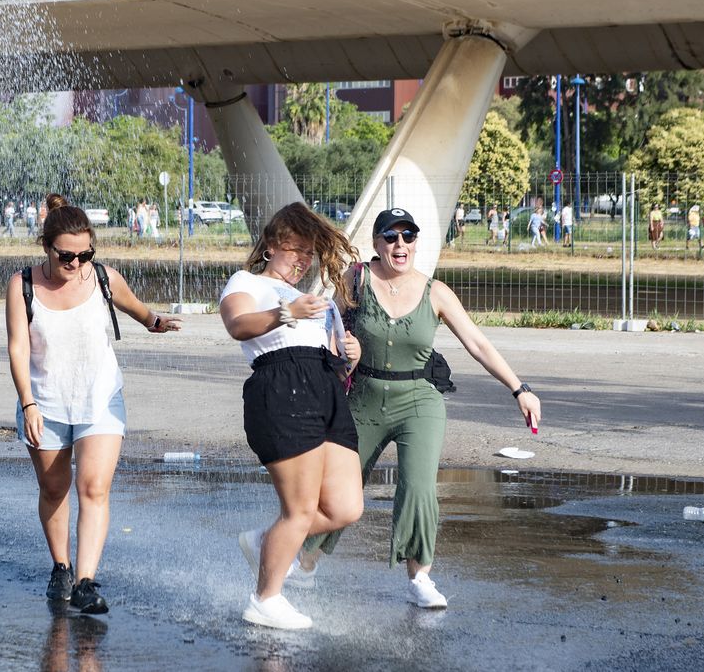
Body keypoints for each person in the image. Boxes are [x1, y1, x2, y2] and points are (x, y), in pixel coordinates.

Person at [302, 208, 543, 610]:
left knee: (418, 487)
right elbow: (324, 327)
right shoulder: (356, 279)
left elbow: (479, 345)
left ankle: (420, 577)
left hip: (420, 401)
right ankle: (303, 563)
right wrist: (343, 348)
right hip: (363, 397)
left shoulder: (436, 291)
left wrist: (520, 389)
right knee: (339, 488)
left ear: (417, 242)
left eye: (408, 236)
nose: (400, 245)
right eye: (391, 237)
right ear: (376, 244)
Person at [6, 194, 182, 615]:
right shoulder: (23, 285)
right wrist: (28, 404)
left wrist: (155, 322)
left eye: (85, 254)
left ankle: (85, 581)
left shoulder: (102, 278)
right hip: (44, 402)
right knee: (53, 488)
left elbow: (139, 311)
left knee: (93, 488)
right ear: (46, 248)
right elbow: (16, 349)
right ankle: (61, 567)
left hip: (100, 399)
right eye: (67, 256)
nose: (76, 264)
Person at [220, 202, 363, 630]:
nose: (303, 260)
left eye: (309, 253)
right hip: (279, 390)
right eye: (294, 250)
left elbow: (326, 356)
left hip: (324, 390)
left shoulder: (314, 299)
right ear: (269, 247)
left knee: (345, 507)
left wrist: (347, 357)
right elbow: (238, 324)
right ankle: (265, 599)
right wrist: (288, 312)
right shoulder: (246, 282)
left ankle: (268, 541)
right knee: (299, 510)